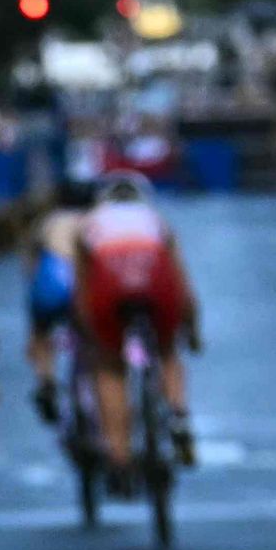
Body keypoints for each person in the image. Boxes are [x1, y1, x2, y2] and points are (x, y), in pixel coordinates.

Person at [73, 168, 196, 483]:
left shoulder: (88, 223)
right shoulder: (157, 221)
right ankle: (179, 414)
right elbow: (183, 286)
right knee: (167, 350)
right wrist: (191, 330)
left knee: (110, 367)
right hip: (154, 278)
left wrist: (89, 334)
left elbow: (82, 289)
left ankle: (119, 455)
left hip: (109, 282)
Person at [24, 170, 92, 429]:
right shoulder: (93, 220)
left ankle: (46, 379)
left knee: (41, 330)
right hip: (84, 286)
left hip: (52, 281)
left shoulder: (48, 222)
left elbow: (32, 266)